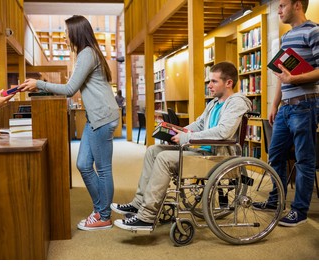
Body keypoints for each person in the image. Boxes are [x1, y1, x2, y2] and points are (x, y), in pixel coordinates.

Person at [111, 61, 252, 231]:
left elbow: (223, 132)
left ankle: (147, 217)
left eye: (214, 81)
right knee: (153, 151)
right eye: (209, 81)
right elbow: (199, 125)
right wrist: (176, 131)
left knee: (163, 158)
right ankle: (138, 203)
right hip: (202, 151)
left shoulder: (237, 103)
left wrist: (187, 137)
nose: (209, 85)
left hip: (218, 157)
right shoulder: (213, 103)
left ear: (229, 83)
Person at [18, 15, 120, 231]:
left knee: (103, 169)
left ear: (76, 32)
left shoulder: (86, 54)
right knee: (83, 164)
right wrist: (40, 86)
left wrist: (39, 83)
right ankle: (100, 210)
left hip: (102, 116)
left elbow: (69, 90)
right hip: (96, 116)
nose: (65, 37)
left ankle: (103, 216)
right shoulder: (89, 53)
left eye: (66, 32)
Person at [252, 0, 319, 227]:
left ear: (297, 5)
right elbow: (283, 75)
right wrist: (274, 105)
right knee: (275, 156)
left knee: (304, 160)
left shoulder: (314, 31)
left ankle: (299, 211)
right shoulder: (285, 37)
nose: (278, 10)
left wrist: (295, 79)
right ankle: (276, 201)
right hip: (284, 108)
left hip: (305, 105)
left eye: (282, 5)